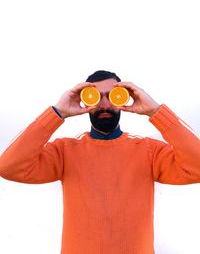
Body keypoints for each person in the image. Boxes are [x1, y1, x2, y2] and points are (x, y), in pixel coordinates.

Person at [0, 70, 200, 254]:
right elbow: (8, 167)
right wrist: (56, 113)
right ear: (85, 101)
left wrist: (155, 111)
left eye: (112, 96)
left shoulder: (149, 151)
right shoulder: (64, 151)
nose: (105, 105)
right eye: (96, 97)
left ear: (124, 97)